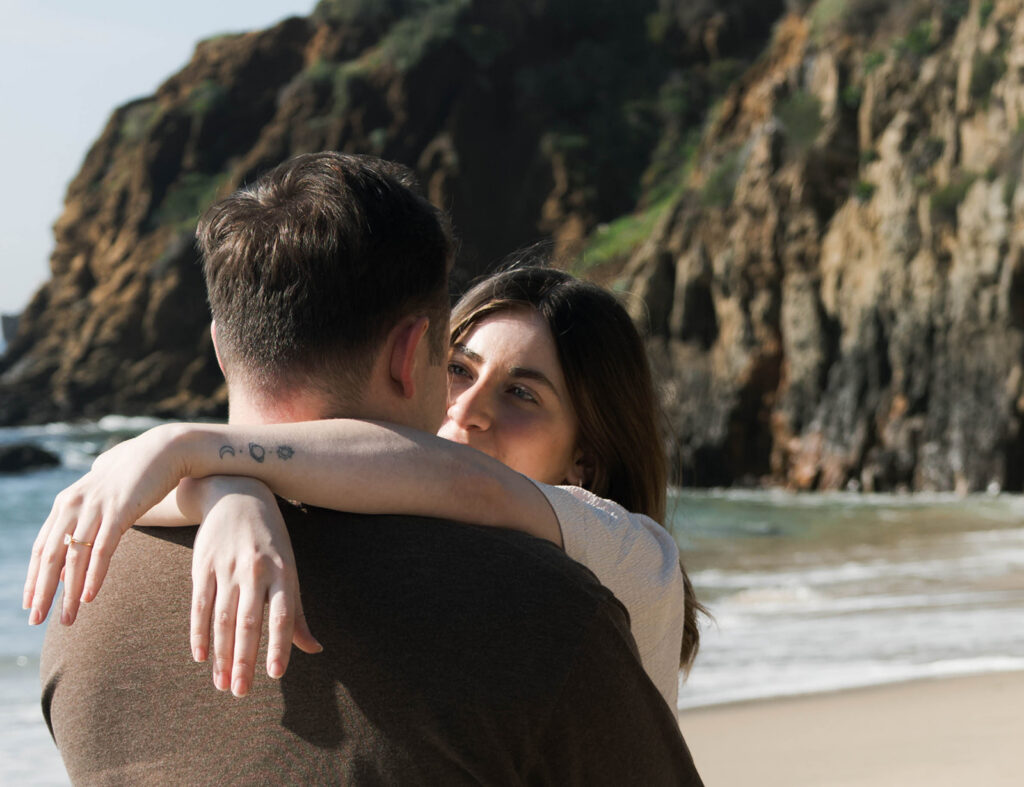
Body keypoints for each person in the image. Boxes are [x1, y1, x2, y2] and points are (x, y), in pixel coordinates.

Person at [27, 152, 704, 784]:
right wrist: (228, 492)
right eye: (459, 368)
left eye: (522, 393)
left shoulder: (627, 562)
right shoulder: (539, 614)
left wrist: (197, 452)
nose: (466, 408)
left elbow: (451, 479)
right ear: (417, 358)